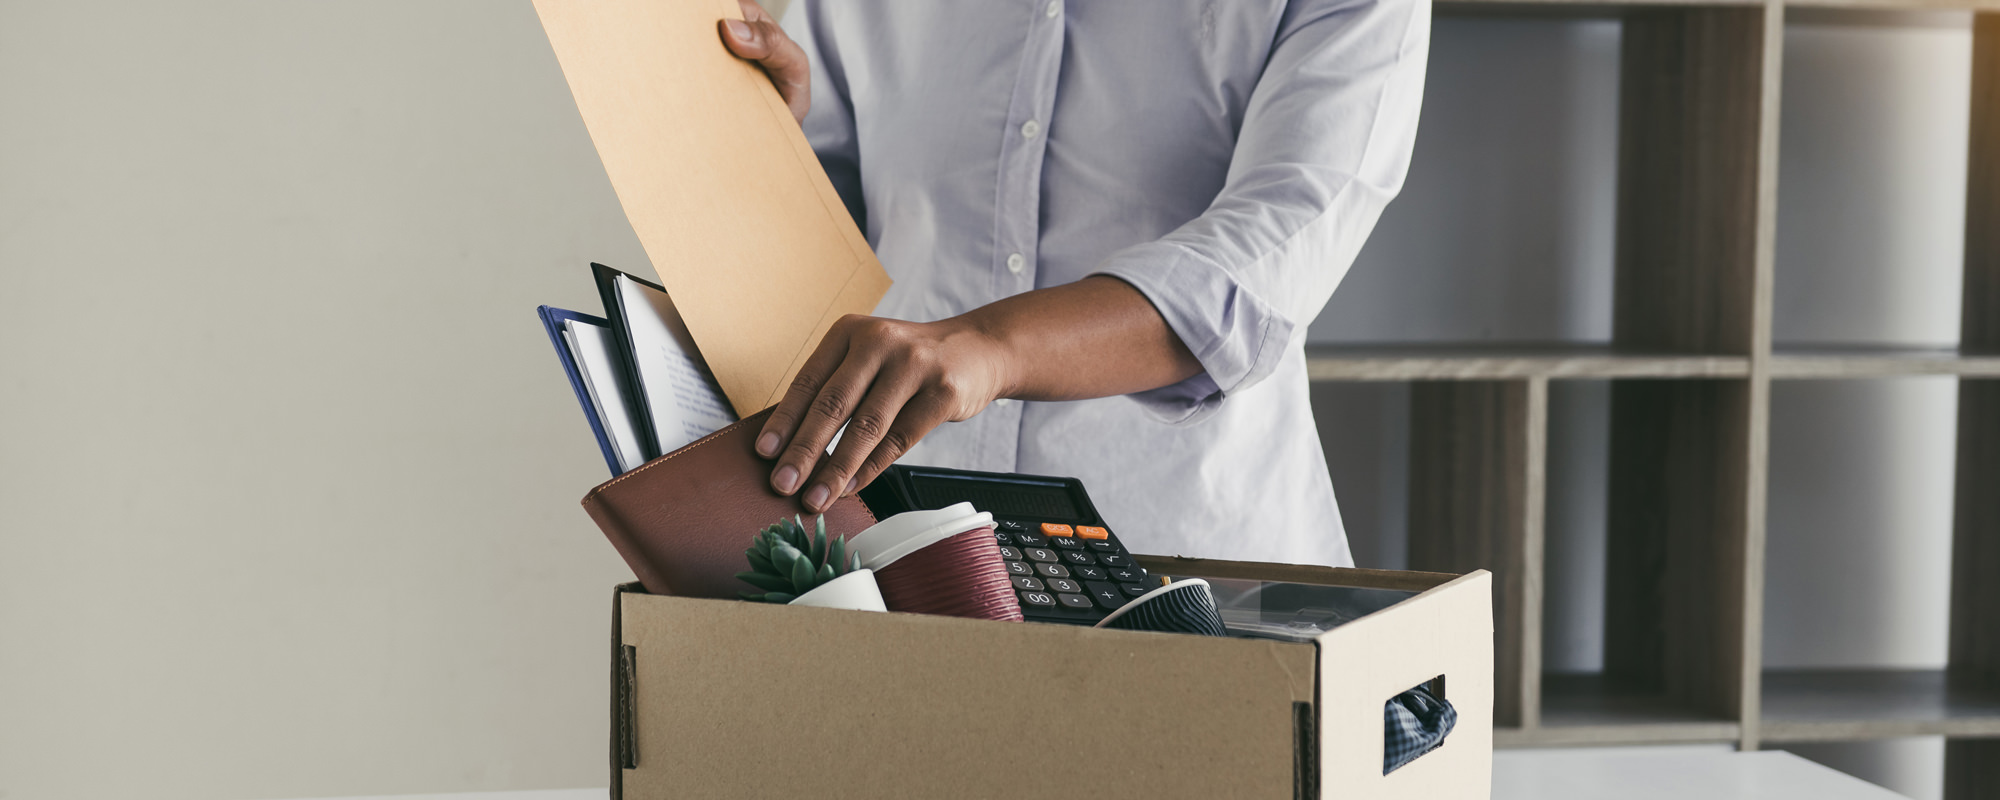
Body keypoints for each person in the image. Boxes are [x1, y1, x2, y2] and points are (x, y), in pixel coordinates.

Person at [717, 0, 1429, 567]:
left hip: (1188, 570)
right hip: (900, 554)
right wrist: (767, 135)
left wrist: (992, 348)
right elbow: (841, 224)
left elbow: (1267, 260)